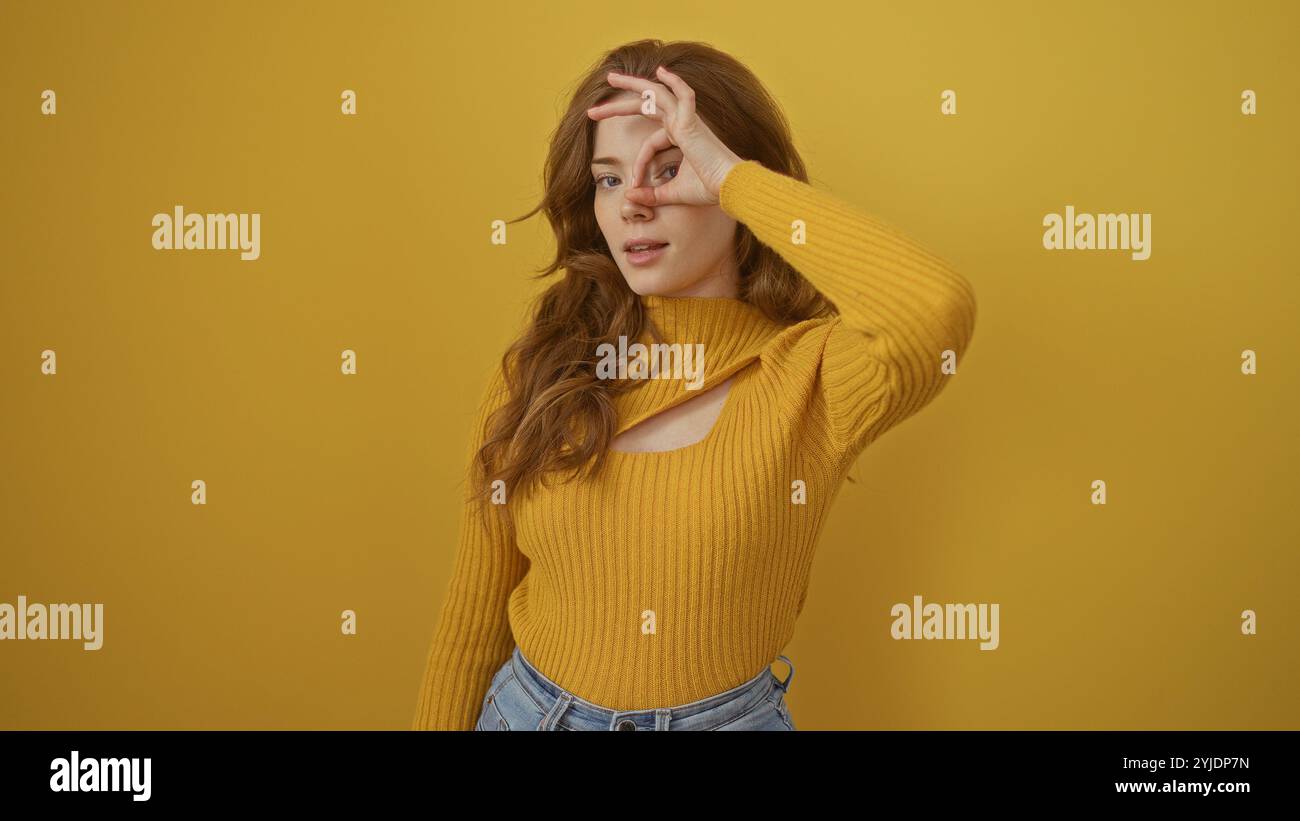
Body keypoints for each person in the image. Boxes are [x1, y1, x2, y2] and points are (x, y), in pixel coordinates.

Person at [412, 38, 977, 731]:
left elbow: (935, 309)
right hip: (529, 714)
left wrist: (730, 175)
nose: (634, 206)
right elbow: (472, 618)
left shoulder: (812, 375)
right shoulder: (542, 368)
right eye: (610, 179)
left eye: (670, 168)